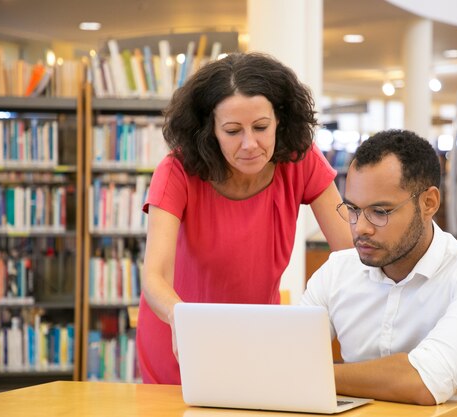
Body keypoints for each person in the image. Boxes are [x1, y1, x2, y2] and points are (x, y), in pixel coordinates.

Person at [137, 52, 353, 384]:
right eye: (233, 130)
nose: (250, 144)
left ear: (279, 119)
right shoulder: (177, 171)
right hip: (180, 340)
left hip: (255, 339)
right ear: (210, 130)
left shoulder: (300, 160)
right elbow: (154, 276)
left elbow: (350, 251)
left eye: (261, 127)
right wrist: (181, 320)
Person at [301, 129, 457, 417]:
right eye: (353, 209)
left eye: (380, 212)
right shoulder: (337, 271)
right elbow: (289, 361)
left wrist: (316, 376)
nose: (359, 228)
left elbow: (424, 382)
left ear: (428, 203)